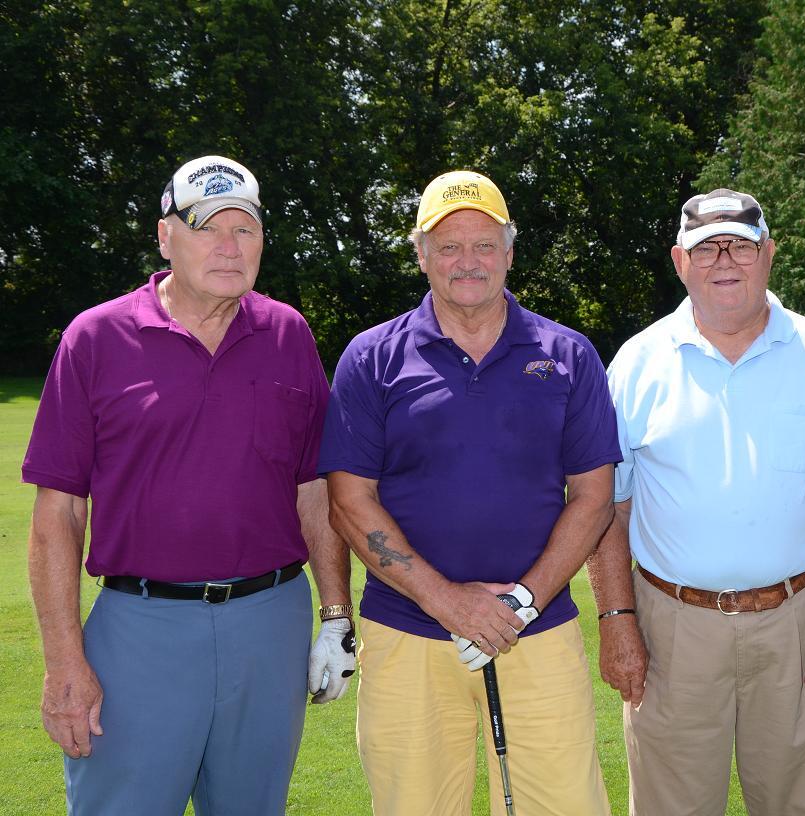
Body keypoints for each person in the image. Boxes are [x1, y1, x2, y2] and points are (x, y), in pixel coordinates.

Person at [22, 155, 355, 815]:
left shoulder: (287, 334)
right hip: (140, 627)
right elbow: (58, 514)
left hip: (270, 623)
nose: (229, 248)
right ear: (165, 236)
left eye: (246, 229)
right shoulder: (96, 337)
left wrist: (336, 617)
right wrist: (64, 661)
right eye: (207, 228)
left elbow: (313, 490)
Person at [320, 169, 620, 816]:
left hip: (535, 631)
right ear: (421, 254)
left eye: (484, 244)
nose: (468, 261)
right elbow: (349, 501)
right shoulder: (372, 358)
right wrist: (450, 603)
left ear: (509, 253)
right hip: (407, 635)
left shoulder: (567, 355)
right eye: (448, 245)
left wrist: (520, 601)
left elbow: (595, 497)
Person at [588, 188, 805, 816]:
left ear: (769, 254)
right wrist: (616, 620)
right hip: (671, 625)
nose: (725, 260)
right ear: (679, 261)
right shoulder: (637, 363)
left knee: (799, 806)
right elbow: (605, 508)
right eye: (707, 248)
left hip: (800, 620)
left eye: (741, 245)